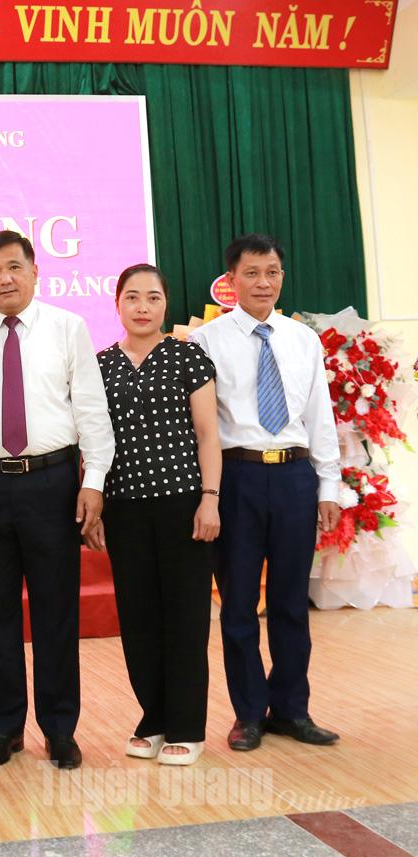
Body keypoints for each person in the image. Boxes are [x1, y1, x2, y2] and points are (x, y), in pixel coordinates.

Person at [0, 230, 114, 771]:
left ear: (35, 272)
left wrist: (95, 481)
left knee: (56, 612)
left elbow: (90, 409)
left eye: (14, 267)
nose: (5, 279)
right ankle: (3, 730)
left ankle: (60, 729)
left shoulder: (68, 328)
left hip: (52, 483)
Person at [189, 234, 342, 752]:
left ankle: (293, 710)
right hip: (238, 478)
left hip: (296, 477)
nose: (263, 282)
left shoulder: (303, 340)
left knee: (291, 603)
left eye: (272, 272)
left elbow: (320, 415)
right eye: (252, 273)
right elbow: (202, 427)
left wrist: (329, 485)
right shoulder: (208, 341)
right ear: (230, 282)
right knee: (237, 605)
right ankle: (249, 713)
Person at [87, 264, 221, 766]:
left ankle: (188, 726)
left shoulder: (190, 357)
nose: (142, 306)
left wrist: (211, 497)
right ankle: (154, 718)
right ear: (117, 304)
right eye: (132, 297)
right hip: (124, 508)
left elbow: (209, 435)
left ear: (165, 304)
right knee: (139, 618)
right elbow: (92, 440)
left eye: (153, 297)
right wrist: (94, 499)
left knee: (185, 617)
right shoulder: (99, 365)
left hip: (184, 504)